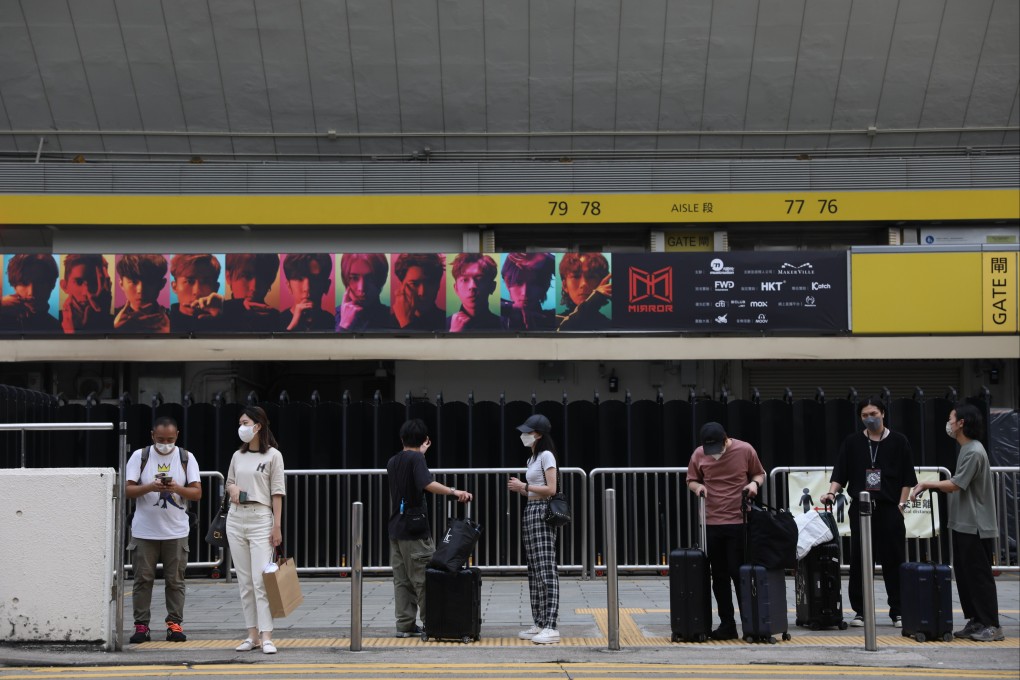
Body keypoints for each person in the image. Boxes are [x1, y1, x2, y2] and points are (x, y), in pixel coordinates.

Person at [909, 403, 1004, 641]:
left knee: (979, 577)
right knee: (965, 576)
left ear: (961, 423)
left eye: (951, 419)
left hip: (975, 524)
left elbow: (956, 484)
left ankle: (991, 624)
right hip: (964, 523)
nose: (949, 423)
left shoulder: (973, 451)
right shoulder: (967, 449)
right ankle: (976, 620)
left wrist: (926, 484)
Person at [821, 396, 917, 628]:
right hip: (861, 509)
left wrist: (901, 505)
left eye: (873, 414)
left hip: (889, 507)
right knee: (860, 559)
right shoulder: (852, 442)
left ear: (883, 413)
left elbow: (907, 478)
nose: (870, 418)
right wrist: (831, 493)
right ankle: (861, 611)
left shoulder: (899, 441)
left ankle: (898, 611)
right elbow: (840, 474)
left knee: (894, 559)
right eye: (865, 415)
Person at [387, 418, 472, 637]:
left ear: (402, 438)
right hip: (414, 530)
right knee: (424, 578)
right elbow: (426, 483)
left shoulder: (393, 461)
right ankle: (433, 623)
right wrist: (454, 491)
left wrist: (420, 453)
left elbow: (410, 471)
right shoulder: (417, 459)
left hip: (396, 528)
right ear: (425, 439)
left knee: (402, 580)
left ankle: (405, 625)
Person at [685, 421, 766, 640]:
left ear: (726, 439)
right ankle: (727, 624)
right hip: (711, 522)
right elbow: (691, 479)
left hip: (739, 520)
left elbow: (759, 474)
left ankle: (750, 623)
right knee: (719, 576)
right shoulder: (699, 454)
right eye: (709, 449)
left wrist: (753, 485)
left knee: (739, 573)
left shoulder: (745, 450)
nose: (714, 454)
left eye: (717, 448)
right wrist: (698, 487)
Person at [124, 416, 202, 643]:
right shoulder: (140, 456)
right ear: (152, 436)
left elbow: (197, 493)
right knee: (142, 579)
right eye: (160, 439)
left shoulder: (186, 457)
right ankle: (141, 626)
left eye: (169, 439)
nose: (165, 443)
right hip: (144, 531)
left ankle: (174, 624)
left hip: (176, 531)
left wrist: (176, 488)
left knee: (175, 581)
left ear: (177, 435)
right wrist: (150, 487)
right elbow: (127, 490)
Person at [225, 406, 286, 654]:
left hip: (260, 517)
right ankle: (252, 635)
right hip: (235, 517)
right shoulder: (237, 456)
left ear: (258, 426)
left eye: (245, 423)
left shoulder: (273, 455)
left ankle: (266, 635)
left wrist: (277, 526)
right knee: (245, 581)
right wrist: (232, 489)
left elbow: (277, 492)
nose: (241, 427)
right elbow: (229, 482)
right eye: (240, 423)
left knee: (261, 579)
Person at [506, 414, 563, 645]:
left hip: (541, 511)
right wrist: (523, 489)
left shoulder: (546, 455)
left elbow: (551, 489)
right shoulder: (533, 458)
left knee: (546, 568)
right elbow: (535, 489)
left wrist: (524, 485)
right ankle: (539, 622)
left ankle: (551, 625)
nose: (524, 435)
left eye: (528, 432)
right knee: (534, 568)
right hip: (531, 509)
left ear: (538, 434)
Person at [1, 253, 61, 333]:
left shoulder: (58, 327)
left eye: (40, 282)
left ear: (52, 284)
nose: (31, 293)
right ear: (14, 285)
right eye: (24, 283)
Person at [335, 253, 395, 331]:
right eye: (354, 278)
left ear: (382, 279)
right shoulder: (332, 318)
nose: (361, 288)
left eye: (370, 278)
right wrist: (343, 325)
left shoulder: (394, 318)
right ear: (345, 279)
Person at [222, 254, 280, 332]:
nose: (254, 287)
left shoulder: (276, 319)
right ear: (228, 276)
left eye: (262, 278)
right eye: (246, 276)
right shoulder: (218, 312)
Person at [113, 254, 170, 333]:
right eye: (133, 282)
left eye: (149, 281)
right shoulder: (109, 318)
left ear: (161, 284)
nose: (140, 290)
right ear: (121, 284)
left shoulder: (173, 320)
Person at [278, 253, 334, 332]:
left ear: (326, 286)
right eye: (299, 279)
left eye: (314, 279)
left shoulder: (333, 322)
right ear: (289, 286)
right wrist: (291, 327)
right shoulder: (276, 322)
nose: (307, 288)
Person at [500, 253, 556, 331]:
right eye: (519, 283)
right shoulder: (495, 319)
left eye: (533, 283)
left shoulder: (555, 320)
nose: (525, 292)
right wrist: (512, 308)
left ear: (546, 286)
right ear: (507, 283)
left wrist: (544, 257)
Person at [556, 253, 612, 331]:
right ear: (565, 285)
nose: (584, 284)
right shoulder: (554, 321)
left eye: (591, 277)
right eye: (576, 276)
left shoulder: (610, 326)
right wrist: (595, 299)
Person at [169, 254, 224, 334]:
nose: (197, 292)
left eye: (205, 282)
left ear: (216, 288)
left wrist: (221, 320)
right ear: (174, 287)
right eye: (189, 281)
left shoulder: (228, 321)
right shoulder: (163, 324)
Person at [59, 254, 113, 333]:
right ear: (64, 286)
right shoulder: (53, 324)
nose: (86, 293)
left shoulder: (113, 322)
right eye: (79, 282)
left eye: (93, 282)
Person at [447, 253, 500, 332]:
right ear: (456, 289)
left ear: (492, 287)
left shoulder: (505, 325)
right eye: (465, 280)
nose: (472, 286)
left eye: (480, 279)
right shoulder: (443, 325)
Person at [391, 253, 446, 331]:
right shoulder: (386, 322)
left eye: (429, 283)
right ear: (401, 285)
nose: (422, 292)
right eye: (414, 284)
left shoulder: (449, 322)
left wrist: (405, 322)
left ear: (438, 285)